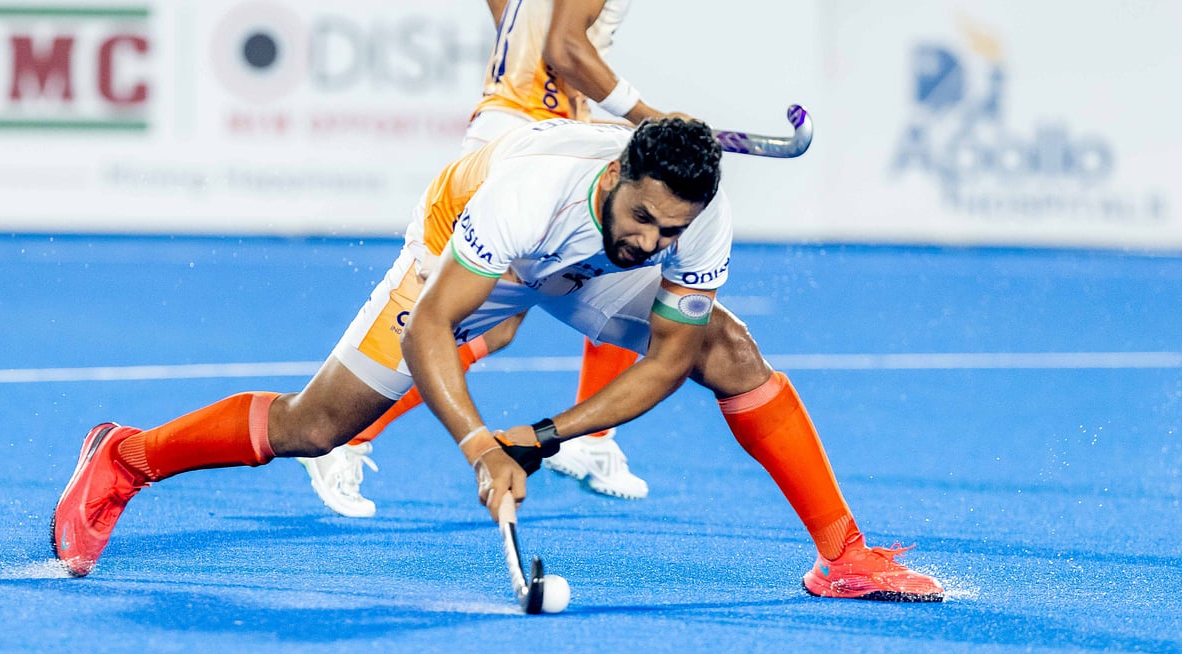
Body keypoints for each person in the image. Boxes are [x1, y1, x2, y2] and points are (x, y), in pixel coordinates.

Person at [52, 117, 945, 602]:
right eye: (644, 217)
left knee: (729, 350)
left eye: (671, 230)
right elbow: (429, 328)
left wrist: (542, 436)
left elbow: (671, 359)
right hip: (471, 244)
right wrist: (481, 442)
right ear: (616, 177)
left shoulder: (690, 220)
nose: (655, 239)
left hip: (580, 267)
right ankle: (125, 457)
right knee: (319, 424)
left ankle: (844, 554)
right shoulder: (529, 194)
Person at [299, 0, 670, 516]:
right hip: (536, 140)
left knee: (605, 271)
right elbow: (565, 48)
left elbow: (517, 24)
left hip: (531, 124)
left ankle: (594, 441)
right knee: (465, 317)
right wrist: (653, 124)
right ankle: (350, 434)